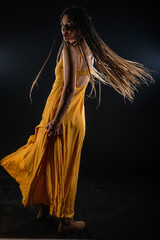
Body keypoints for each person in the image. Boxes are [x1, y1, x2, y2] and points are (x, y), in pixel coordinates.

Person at [0, 6, 154, 235]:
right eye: (62, 25)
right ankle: (45, 207)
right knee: (53, 160)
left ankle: (64, 219)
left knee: (51, 160)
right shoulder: (89, 48)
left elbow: (70, 89)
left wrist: (56, 120)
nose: (64, 30)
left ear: (81, 30)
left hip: (61, 114)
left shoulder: (68, 50)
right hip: (72, 117)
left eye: (69, 26)